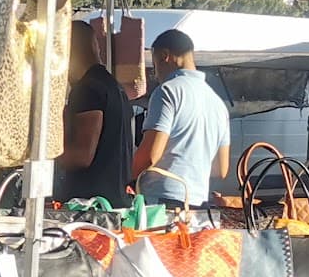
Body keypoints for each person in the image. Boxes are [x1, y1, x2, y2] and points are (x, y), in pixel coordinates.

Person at [133, 28, 231, 207]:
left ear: (165, 56)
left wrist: (124, 178)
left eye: (155, 66)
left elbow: (150, 156)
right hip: (198, 202)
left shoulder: (167, 91)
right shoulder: (218, 103)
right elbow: (221, 169)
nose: (155, 74)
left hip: (162, 202)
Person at [57, 18, 132, 204]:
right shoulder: (114, 87)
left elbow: (82, 155)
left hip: (89, 206)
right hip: (114, 200)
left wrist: (41, 156)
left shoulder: (88, 89)